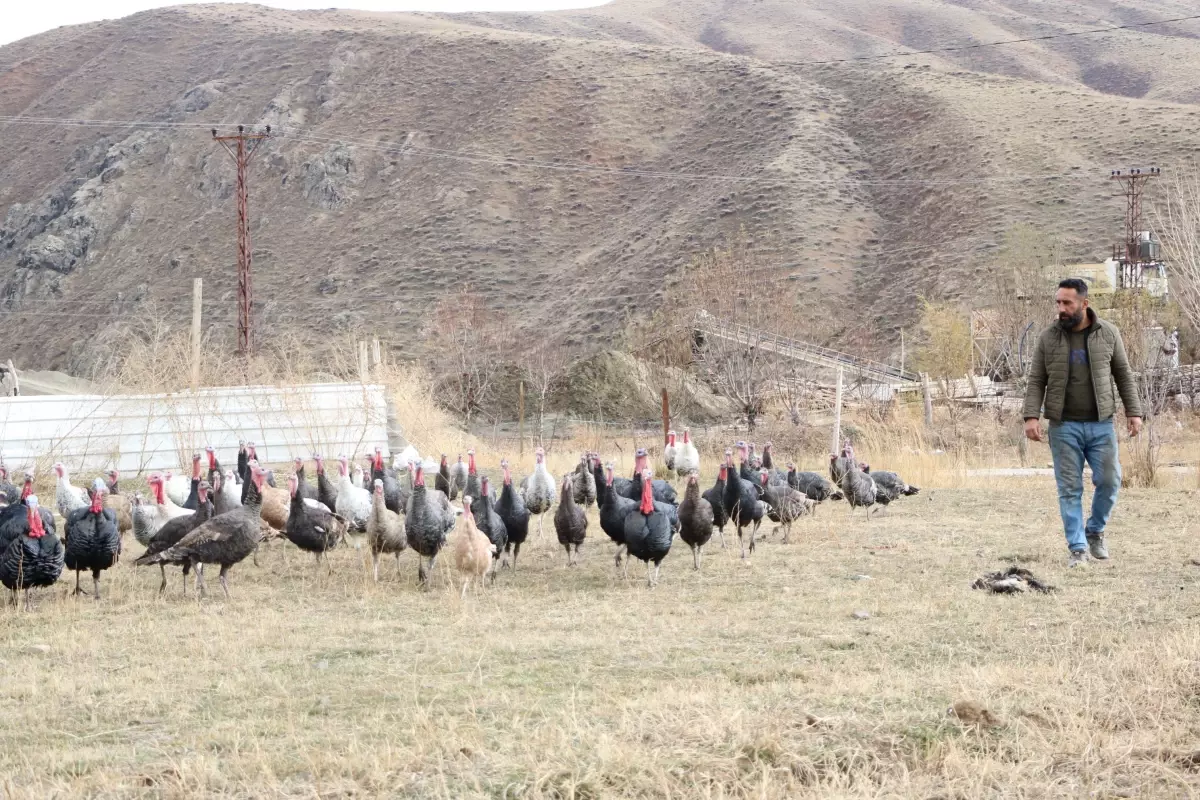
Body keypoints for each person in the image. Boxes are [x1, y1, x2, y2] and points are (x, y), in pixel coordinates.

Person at [1023, 279, 1142, 568]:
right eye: (1058, 303)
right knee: (1069, 489)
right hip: (1063, 426)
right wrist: (1030, 416)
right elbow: (1037, 378)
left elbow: (1123, 374)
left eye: (1067, 303)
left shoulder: (1108, 333)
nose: (1061, 309)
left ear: (1084, 304)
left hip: (1101, 424)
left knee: (1110, 481)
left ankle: (1095, 531)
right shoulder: (1048, 337)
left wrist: (1133, 411)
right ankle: (1077, 548)